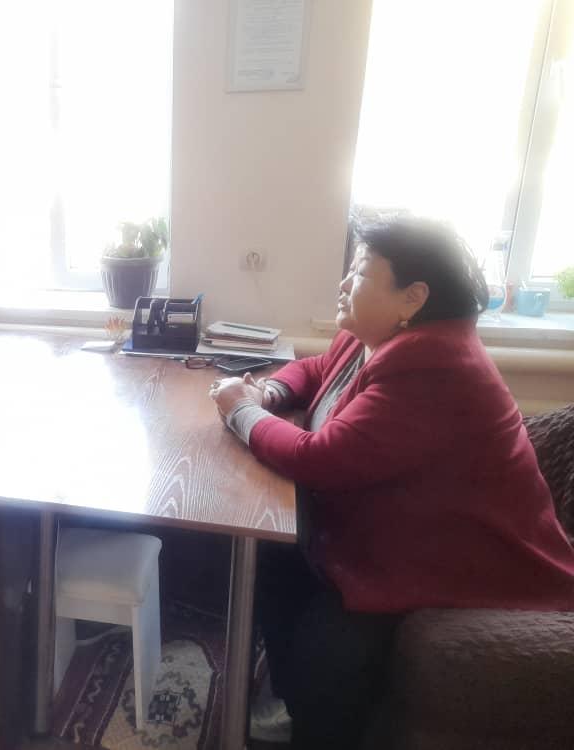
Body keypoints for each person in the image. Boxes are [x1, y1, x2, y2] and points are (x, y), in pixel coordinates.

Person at [209, 217, 574, 748]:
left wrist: (241, 411)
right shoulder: (373, 338)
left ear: (413, 297)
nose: (343, 284)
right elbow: (312, 371)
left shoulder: (436, 364)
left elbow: (320, 459)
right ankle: (288, 700)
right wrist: (267, 394)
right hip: (390, 530)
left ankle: (311, 721)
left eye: (359, 274)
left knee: (324, 655)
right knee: (273, 559)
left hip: (458, 558)